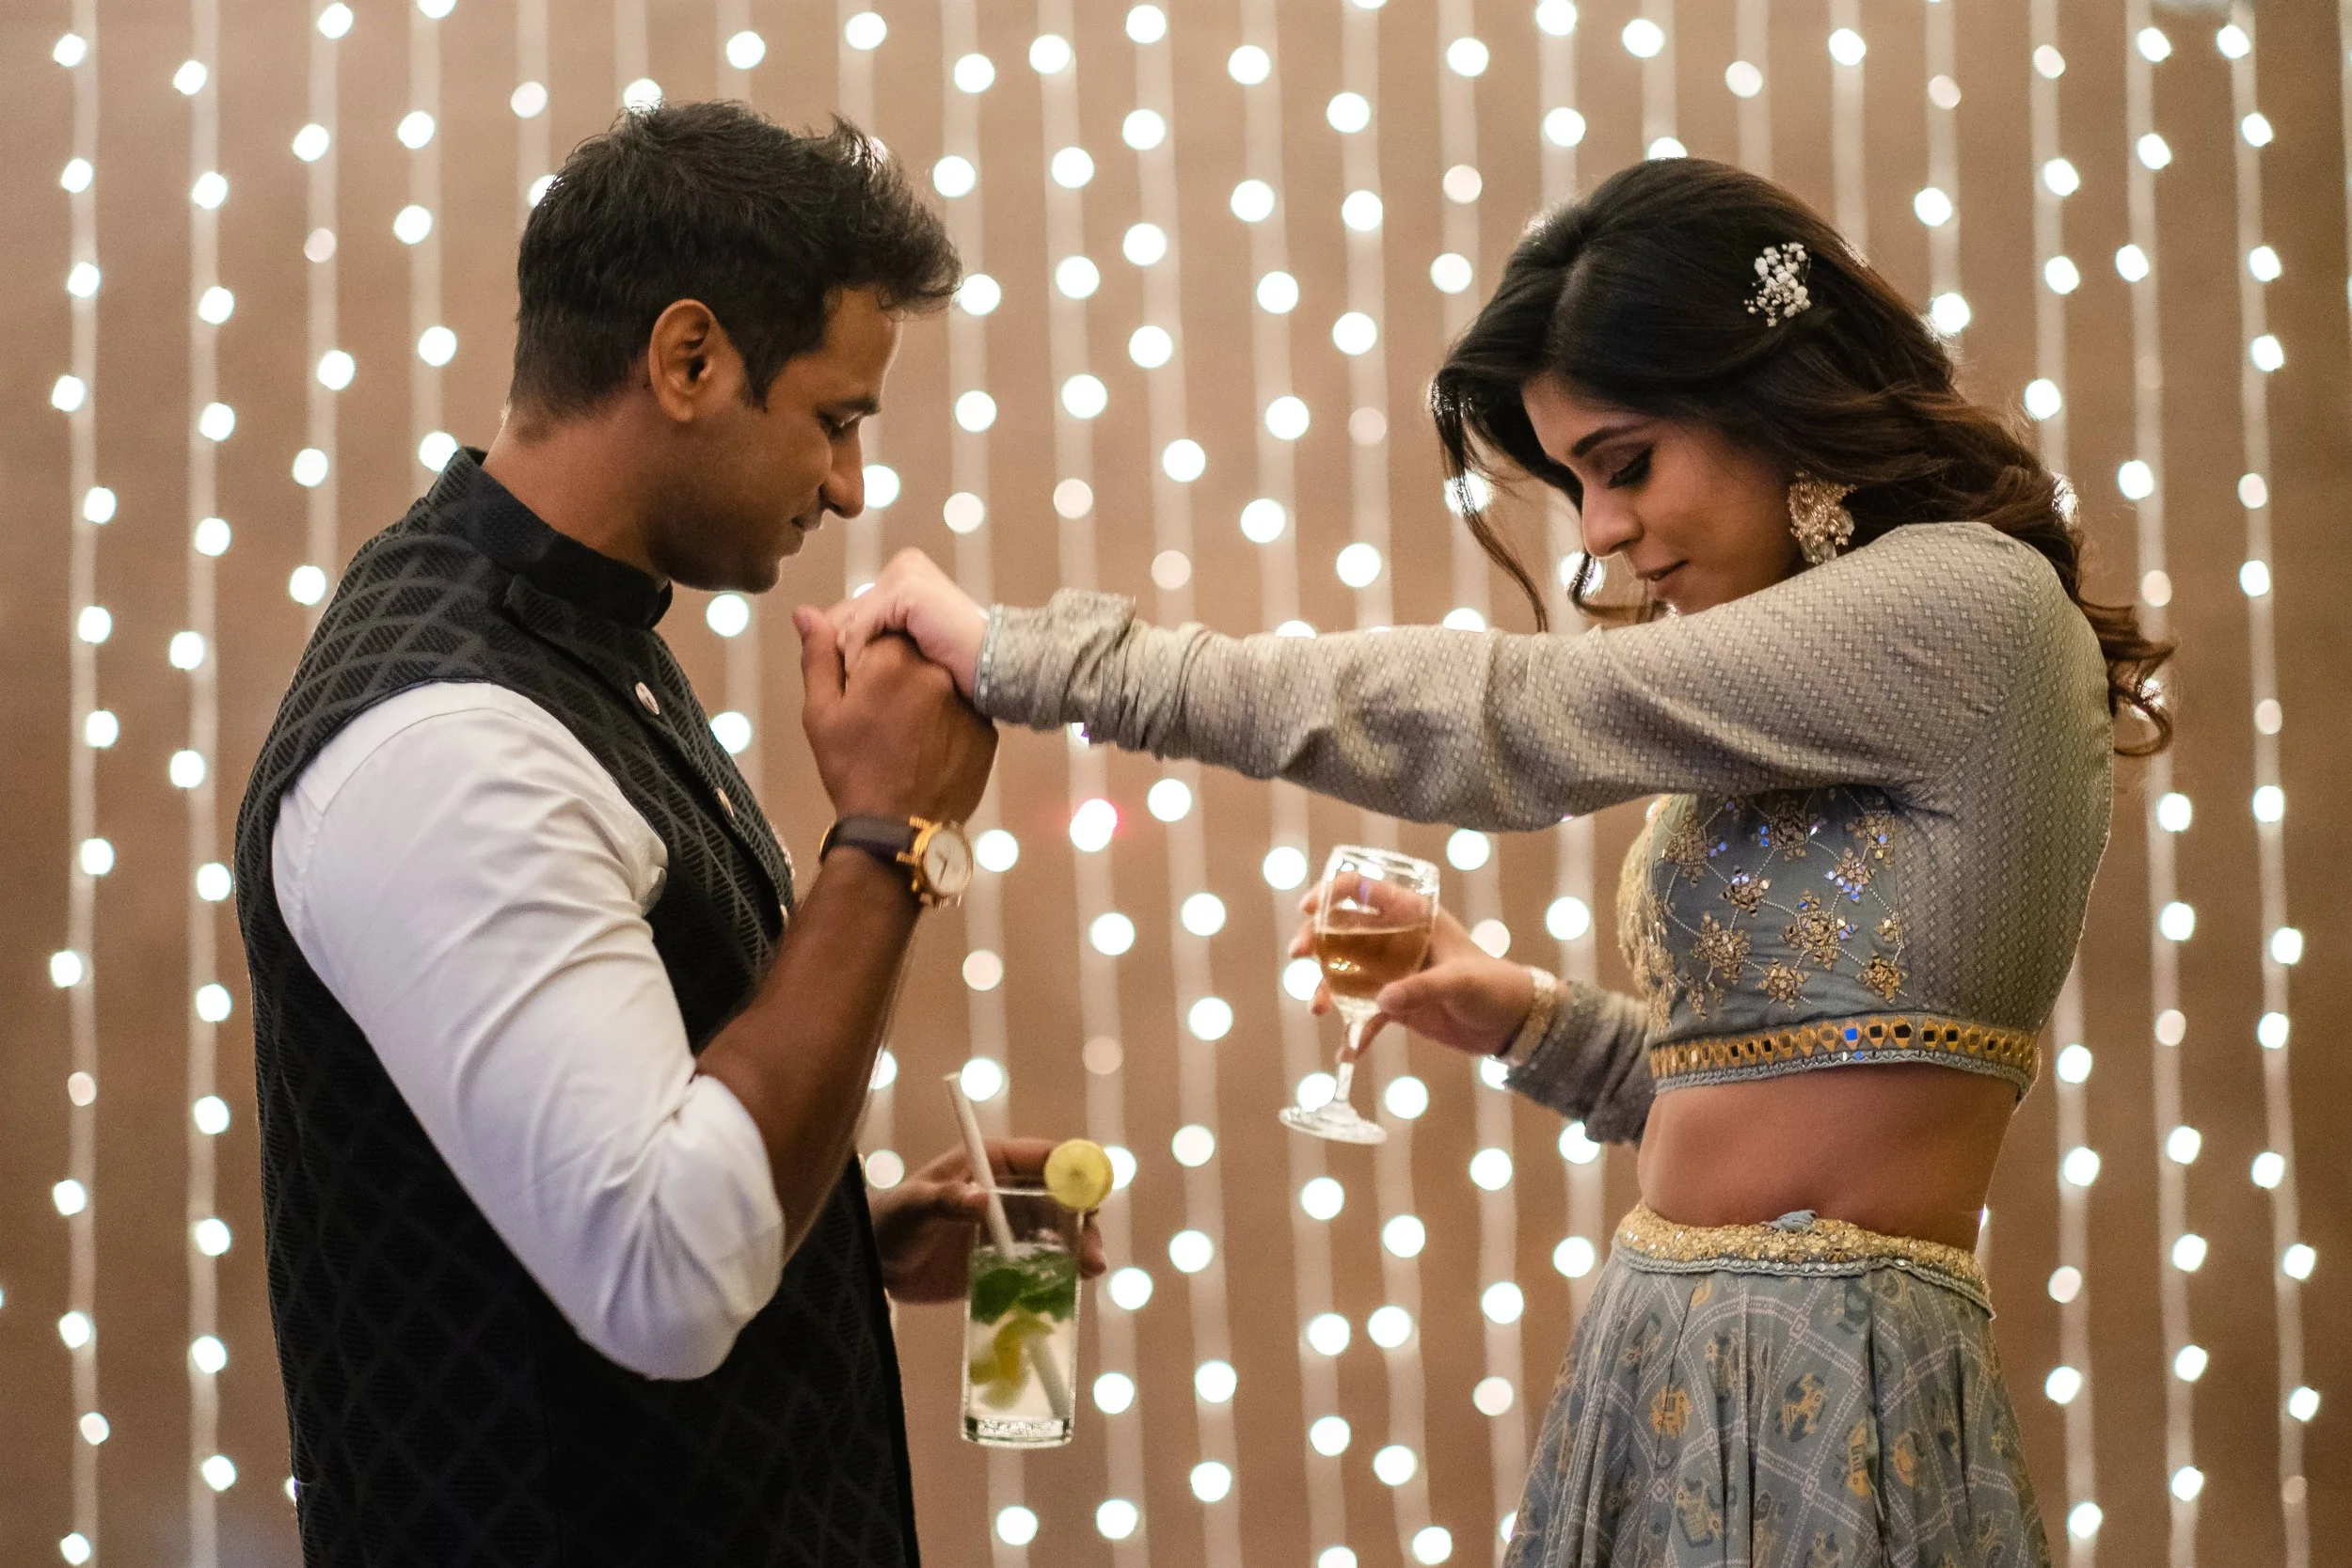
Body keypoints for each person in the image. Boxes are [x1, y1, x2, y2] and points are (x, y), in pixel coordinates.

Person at [832, 158, 2169, 1565]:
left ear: (1779, 395)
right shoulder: (1849, 654)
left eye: (1624, 463)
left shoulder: (1970, 605)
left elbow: (1510, 721)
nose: (1600, 531)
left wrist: (1036, 658)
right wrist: (1522, 1015)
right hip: (1663, 1358)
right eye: (1576, 482)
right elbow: (1754, 1110)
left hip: (1825, 1387)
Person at [233, 103, 1098, 1566]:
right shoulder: (452, 740)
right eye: (835, 418)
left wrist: (836, 1248)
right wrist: (893, 835)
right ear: (689, 359)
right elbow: (664, 1273)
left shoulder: (576, 638)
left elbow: (598, 1173)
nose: (849, 485)